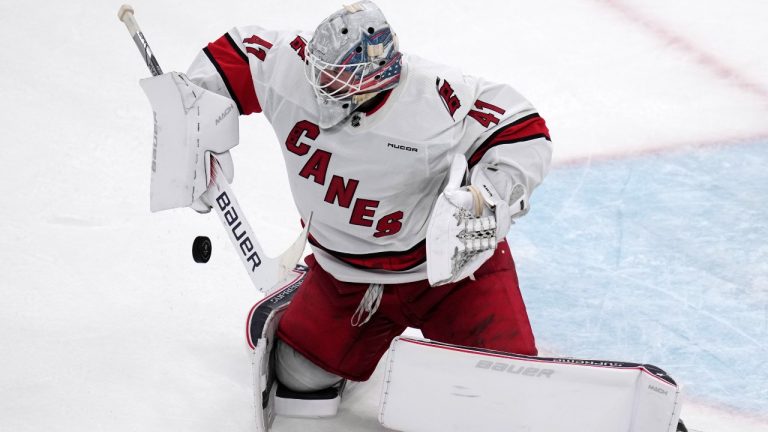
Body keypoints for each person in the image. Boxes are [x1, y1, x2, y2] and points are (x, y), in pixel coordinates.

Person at [185, 1, 552, 393]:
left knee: (505, 386)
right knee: (299, 377)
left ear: (377, 75)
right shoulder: (293, 71)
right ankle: (303, 292)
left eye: (337, 77)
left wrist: (489, 195)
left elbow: (522, 127)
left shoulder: (437, 97)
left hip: (451, 276)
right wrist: (193, 127)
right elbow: (233, 56)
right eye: (320, 71)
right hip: (348, 277)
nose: (322, 85)